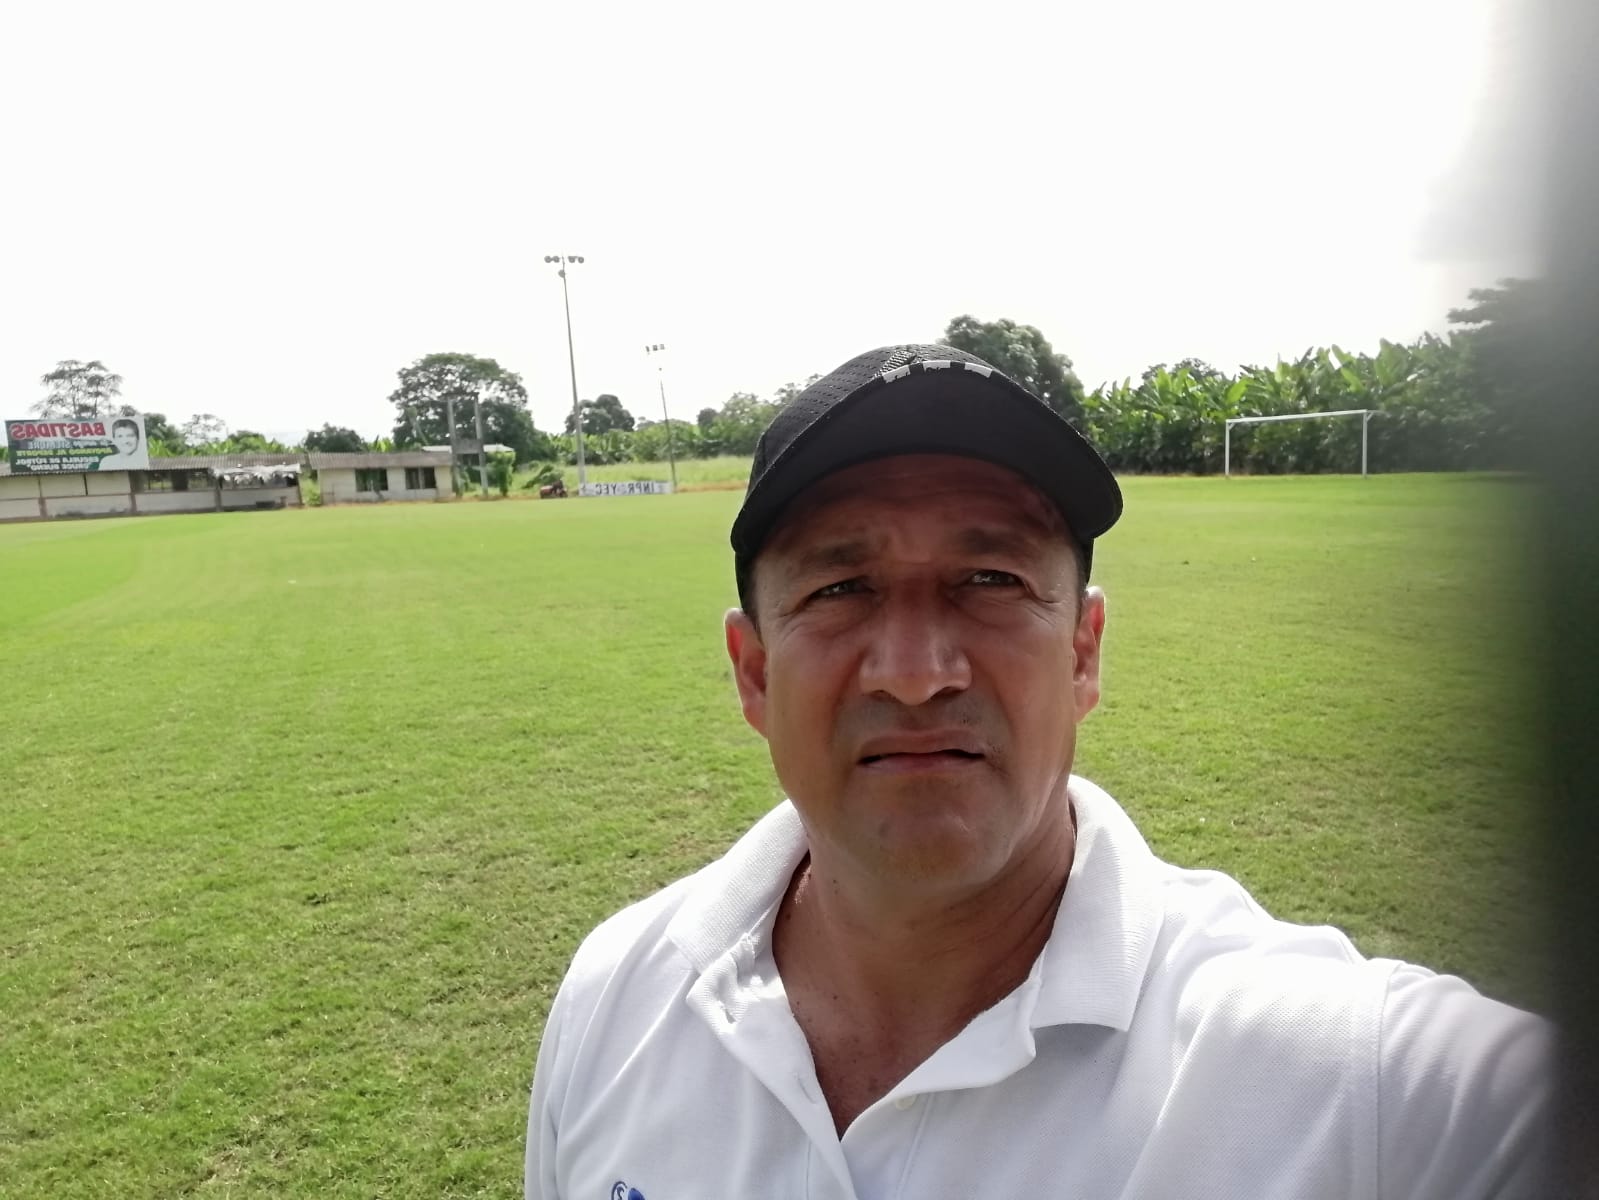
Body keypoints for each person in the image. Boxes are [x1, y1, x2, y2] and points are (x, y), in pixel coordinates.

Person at [526, 345, 1550, 1200]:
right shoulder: (618, 994)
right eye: (840, 588)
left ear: (1082, 653)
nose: (917, 673)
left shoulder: (1347, 1078)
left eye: (991, 579)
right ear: (753, 673)